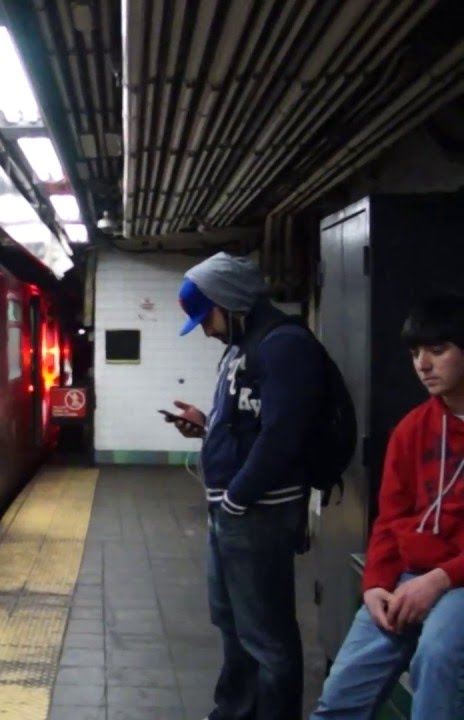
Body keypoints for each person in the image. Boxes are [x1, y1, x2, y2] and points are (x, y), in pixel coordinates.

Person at [167, 252, 327, 720]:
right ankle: (235, 712)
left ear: (231, 302)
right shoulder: (242, 348)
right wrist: (208, 425)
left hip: (258, 513)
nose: (206, 329)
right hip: (234, 514)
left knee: (267, 637)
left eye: (206, 317)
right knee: (232, 623)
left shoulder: (285, 346)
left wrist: (237, 497)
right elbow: (251, 422)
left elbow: (283, 434)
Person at [311, 294, 464, 719]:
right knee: (340, 694)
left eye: (438, 350)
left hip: (457, 579)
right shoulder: (413, 429)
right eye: (416, 353)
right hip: (409, 577)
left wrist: (438, 580)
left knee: (436, 657)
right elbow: (391, 517)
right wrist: (376, 583)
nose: (423, 365)